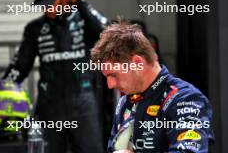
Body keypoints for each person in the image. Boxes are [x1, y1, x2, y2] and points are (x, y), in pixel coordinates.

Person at [3, 0, 108, 152]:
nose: (47, 8)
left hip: (83, 103)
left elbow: (108, 35)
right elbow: (20, 66)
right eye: (44, 4)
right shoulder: (34, 29)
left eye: (51, 2)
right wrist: (1, 91)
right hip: (48, 107)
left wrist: (81, 2)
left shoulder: (85, 21)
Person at [91, 21, 214, 153]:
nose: (110, 85)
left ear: (138, 63)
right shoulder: (125, 103)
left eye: (114, 75)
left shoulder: (185, 99)